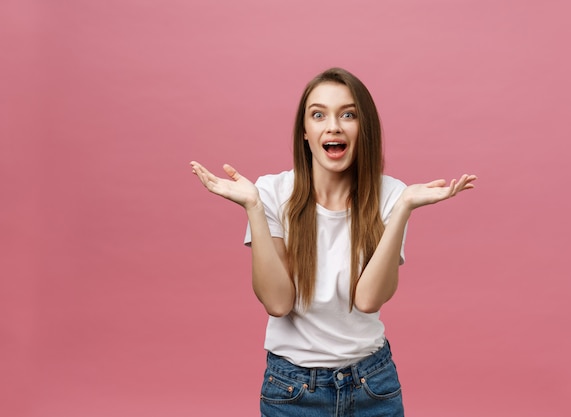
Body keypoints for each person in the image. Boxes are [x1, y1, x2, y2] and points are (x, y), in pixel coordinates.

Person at [190, 67, 477, 416]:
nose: (334, 126)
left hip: (373, 385)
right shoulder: (271, 192)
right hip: (293, 390)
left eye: (348, 114)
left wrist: (403, 209)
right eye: (318, 114)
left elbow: (369, 299)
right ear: (306, 133)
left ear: (363, 129)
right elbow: (278, 303)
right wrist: (253, 206)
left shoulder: (391, 194)